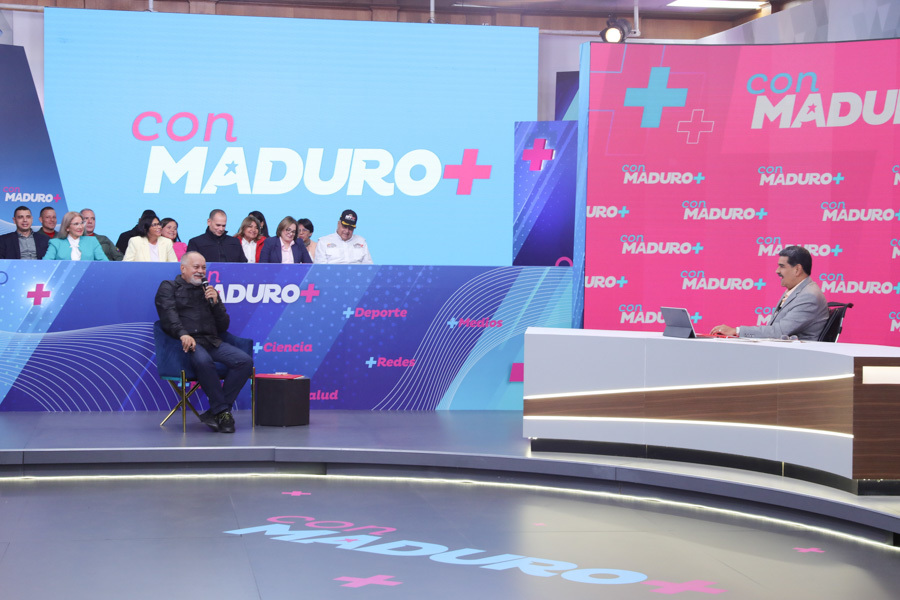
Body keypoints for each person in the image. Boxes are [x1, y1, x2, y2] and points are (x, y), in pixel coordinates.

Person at [155, 252, 252, 433]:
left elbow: (223, 325)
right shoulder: (169, 287)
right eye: (196, 267)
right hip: (187, 344)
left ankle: (218, 411)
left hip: (211, 341)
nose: (200, 271)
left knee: (244, 361)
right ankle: (222, 412)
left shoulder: (208, 290)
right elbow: (168, 315)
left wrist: (216, 303)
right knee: (203, 360)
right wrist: (183, 334)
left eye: (203, 268)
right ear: (183, 268)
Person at [710, 245, 829, 341]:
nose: (777, 271)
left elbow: (779, 332)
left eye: (782, 266)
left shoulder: (809, 296)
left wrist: (737, 331)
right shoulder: (797, 290)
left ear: (797, 269)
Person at [43, 211, 109, 261]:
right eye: (76, 224)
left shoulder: (92, 241)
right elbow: (46, 264)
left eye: (82, 223)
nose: (80, 227)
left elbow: (104, 263)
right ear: (67, 227)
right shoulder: (55, 243)